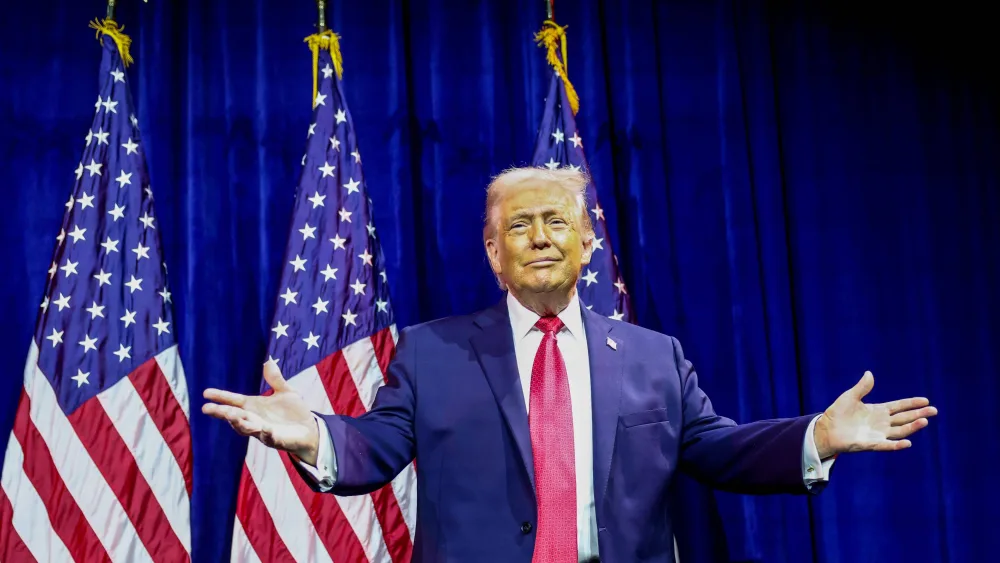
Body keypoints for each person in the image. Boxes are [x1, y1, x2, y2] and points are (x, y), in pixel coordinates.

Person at [203, 167, 937, 563]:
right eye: (519, 225)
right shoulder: (432, 351)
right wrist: (315, 435)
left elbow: (718, 449)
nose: (540, 237)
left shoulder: (653, 355)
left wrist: (817, 437)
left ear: (587, 244)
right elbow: (377, 446)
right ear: (494, 254)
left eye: (557, 221)